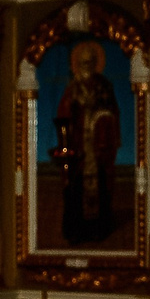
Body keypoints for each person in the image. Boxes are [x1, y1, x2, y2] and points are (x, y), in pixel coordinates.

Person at [53, 39, 123, 244]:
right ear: (78, 65)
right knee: (75, 187)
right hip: (79, 146)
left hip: (98, 145)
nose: (87, 68)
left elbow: (113, 112)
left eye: (90, 63)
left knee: (100, 185)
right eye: (83, 64)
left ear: (96, 64)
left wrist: (107, 129)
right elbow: (63, 117)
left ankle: (98, 229)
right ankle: (77, 230)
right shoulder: (72, 89)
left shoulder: (104, 86)